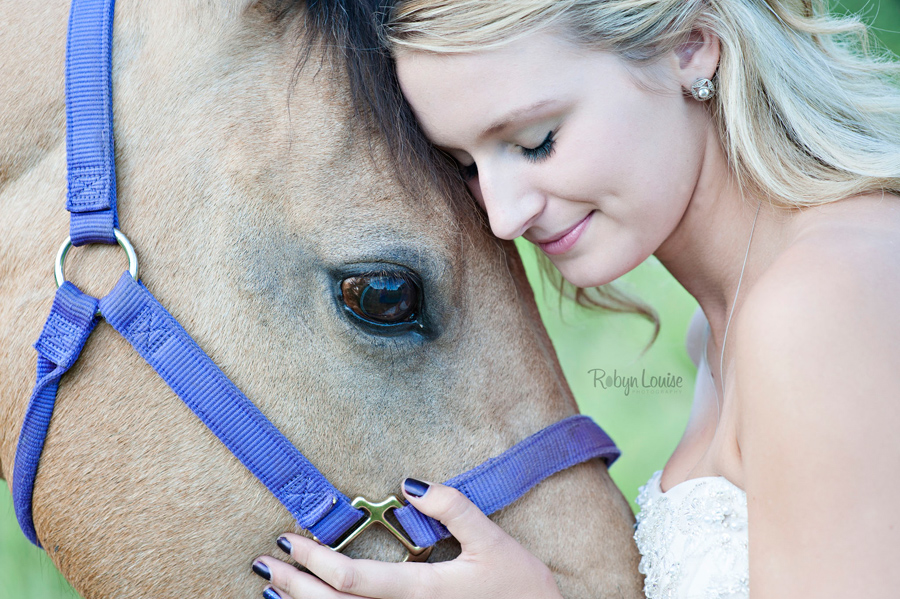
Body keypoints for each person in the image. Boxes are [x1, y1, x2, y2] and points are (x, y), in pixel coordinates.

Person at [250, 1, 900, 597]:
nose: (503, 216)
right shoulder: (722, 327)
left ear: (689, 45)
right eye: (467, 166)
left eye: (536, 140)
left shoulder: (822, 300)